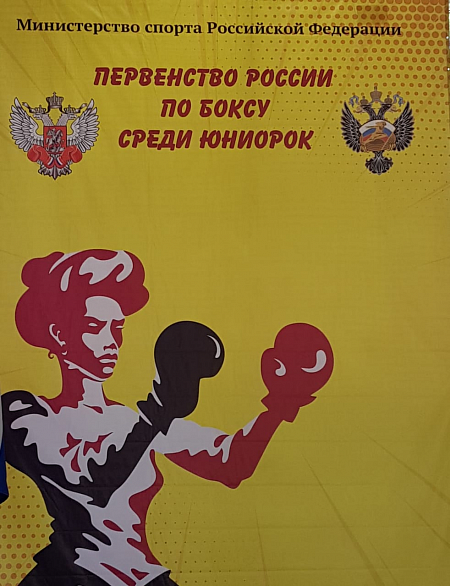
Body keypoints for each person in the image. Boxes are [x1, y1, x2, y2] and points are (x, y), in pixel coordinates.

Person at [2, 249, 333, 586]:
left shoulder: (131, 420)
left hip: (144, 578)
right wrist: (157, 411)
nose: (111, 342)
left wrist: (279, 404)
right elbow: (89, 478)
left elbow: (230, 463)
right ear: (59, 334)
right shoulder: (24, 412)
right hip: (73, 575)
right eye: (95, 327)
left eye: (117, 327)